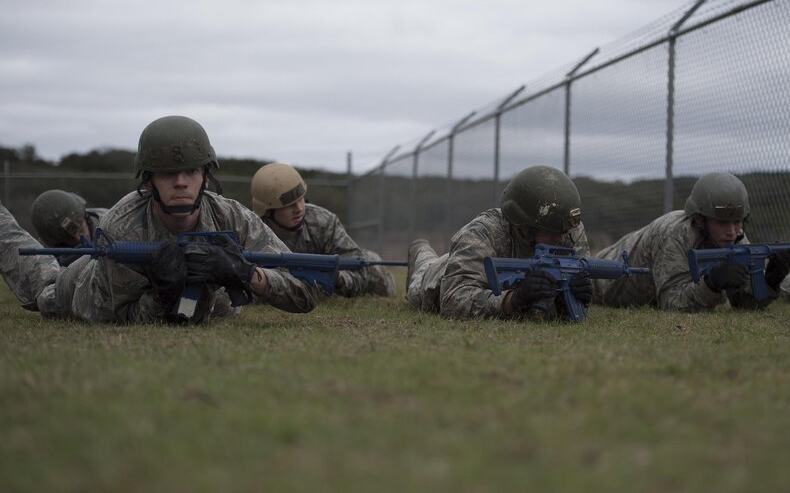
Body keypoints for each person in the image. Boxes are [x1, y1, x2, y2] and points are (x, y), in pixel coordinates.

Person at [55, 115, 320, 323]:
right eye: (168, 174)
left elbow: (305, 293)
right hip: (78, 287)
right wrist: (163, 294)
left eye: (191, 171)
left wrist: (246, 272)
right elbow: (114, 316)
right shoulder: (120, 228)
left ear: (205, 176)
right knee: (45, 291)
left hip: (210, 309)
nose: (180, 183)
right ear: (148, 181)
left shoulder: (230, 217)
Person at [588, 171, 790, 311]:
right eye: (722, 223)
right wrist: (712, 284)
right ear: (699, 219)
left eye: (738, 222)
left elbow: (743, 303)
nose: (732, 232)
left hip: (646, 295)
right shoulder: (672, 234)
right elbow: (671, 303)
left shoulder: (735, 239)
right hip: (599, 283)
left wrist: (770, 281)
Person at [405, 165, 593, 319]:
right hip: (438, 276)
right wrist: (513, 300)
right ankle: (420, 248)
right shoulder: (481, 234)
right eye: (552, 232)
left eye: (564, 232)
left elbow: (568, 300)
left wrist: (565, 300)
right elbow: (453, 300)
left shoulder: (569, 227)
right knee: (425, 266)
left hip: (470, 263)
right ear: (525, 225)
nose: (561, 238)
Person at [251, 162, 396, 298]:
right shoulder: (251, 234)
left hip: (341, 283)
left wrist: (337, 279)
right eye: (289, 205)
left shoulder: (322, 222)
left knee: (372, 264)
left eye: (301, 199)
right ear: (267, 210)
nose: (299, 209)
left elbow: (357, 269)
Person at [0, 191, 108, 313]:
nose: (78, 238)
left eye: (80, 230)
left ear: (85, 216)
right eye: (68, 239)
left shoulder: (109, 222)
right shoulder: (51, 255)